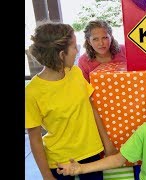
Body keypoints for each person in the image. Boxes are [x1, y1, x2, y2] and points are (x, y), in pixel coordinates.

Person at [25, 21, 118, 180]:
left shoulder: (75, 72)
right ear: (61, 55)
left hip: (92, 153)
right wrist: (47, 176)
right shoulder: (32, 92)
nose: (78, 50)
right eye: (74, 47)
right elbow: (34, 139)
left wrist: (107, 143)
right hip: (59, 162)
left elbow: (91, 107)